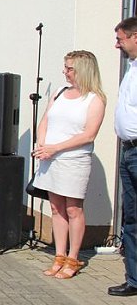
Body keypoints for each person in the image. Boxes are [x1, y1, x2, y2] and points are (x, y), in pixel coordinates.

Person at [33, 51, 106, 279]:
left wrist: (56, 147)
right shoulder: (59, 92)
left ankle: (73, 258)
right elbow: (46, 120)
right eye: (65, 67)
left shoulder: (94, 99)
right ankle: (59, 255)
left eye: (70, 68)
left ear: (83, 70)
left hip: (73, 160)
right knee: (56, 208)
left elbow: (88, 134)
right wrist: (42, 143)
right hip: (50, 158)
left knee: (73, 209)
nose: (65, 72)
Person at [112, 16, 137, 296]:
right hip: (128, 150)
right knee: (131, 218)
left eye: (120, 39)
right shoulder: (131, 68)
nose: (117, 45)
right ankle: (134, 278)